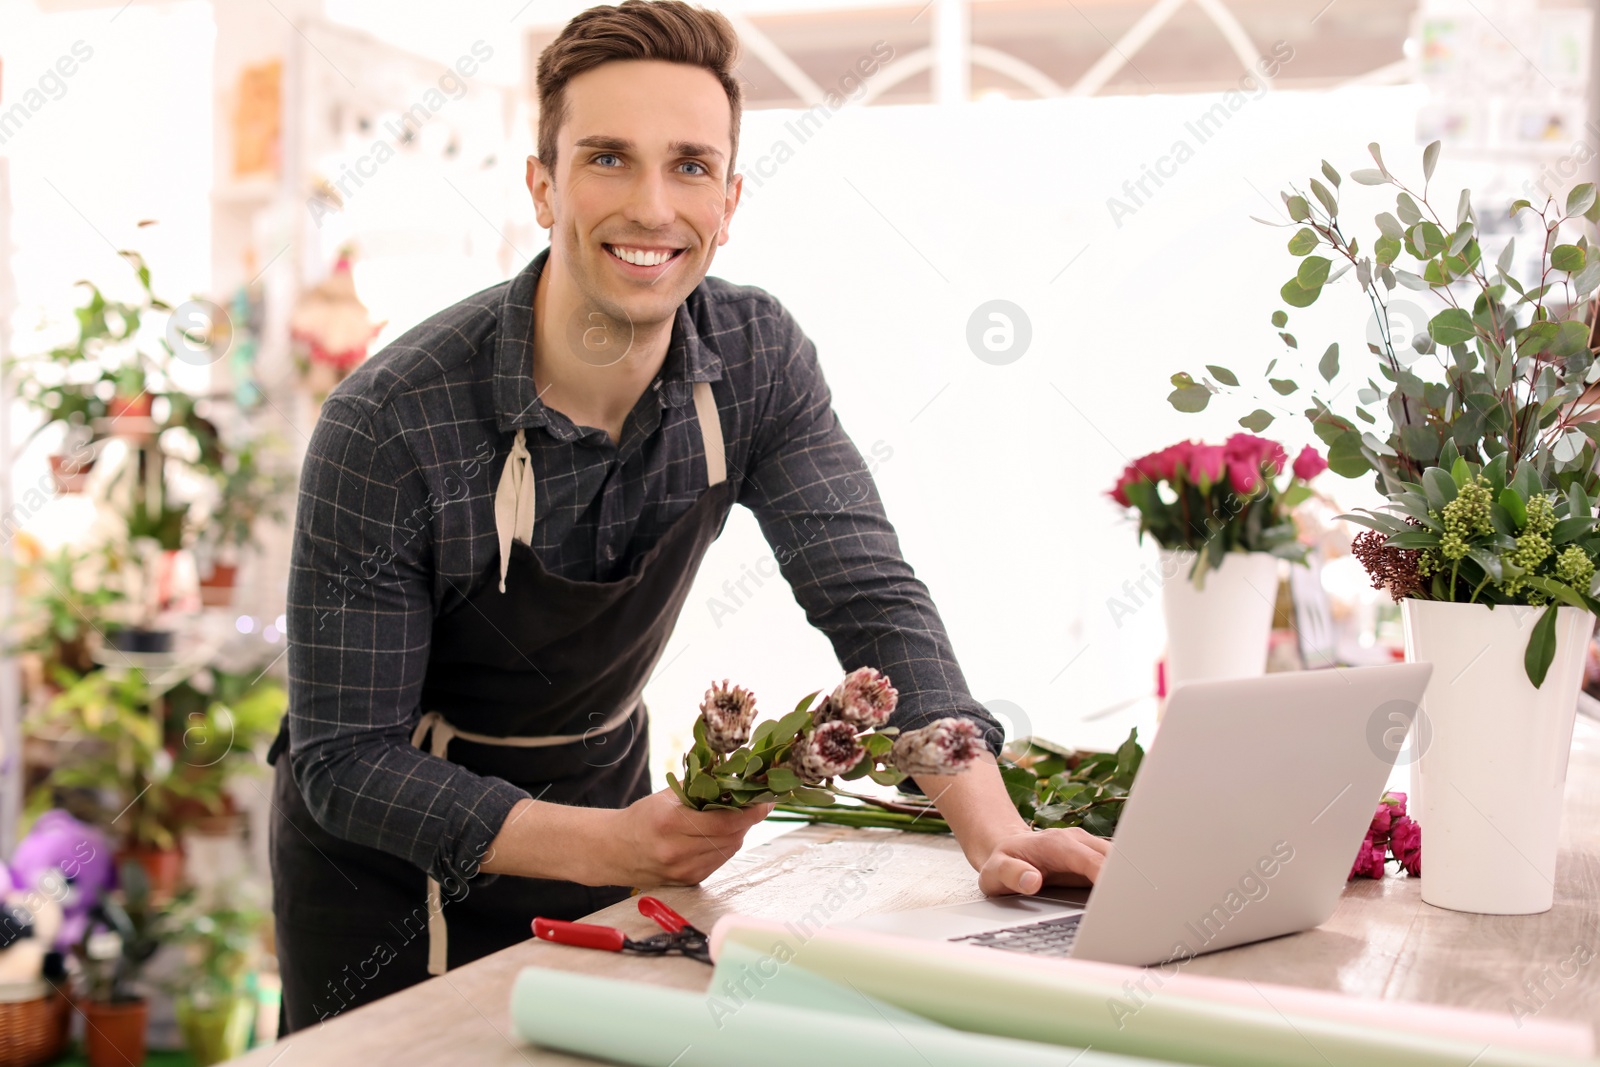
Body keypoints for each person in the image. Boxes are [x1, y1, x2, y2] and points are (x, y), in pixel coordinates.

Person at [268, 0, 1109, 1034]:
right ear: (541, 185)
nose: (651, 206)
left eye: (691, 166)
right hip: (385, 872)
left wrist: (994, 829)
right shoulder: (392, 423)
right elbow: (343, 758)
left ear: (731, 198)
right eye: (608, 159)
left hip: (605, 790)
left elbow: (865, 591)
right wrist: (619, 846)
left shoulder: (754, 361)